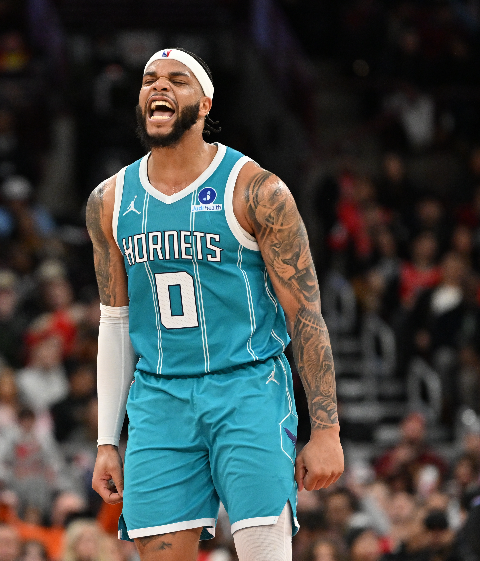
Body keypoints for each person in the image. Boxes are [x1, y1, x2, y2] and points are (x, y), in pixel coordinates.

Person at [87, 48, 344, 561]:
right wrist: (106, 441)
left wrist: (327, 429)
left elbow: (305, 313)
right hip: (158, 398)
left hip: (248, 387)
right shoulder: (109, 200)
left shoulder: (257, 190)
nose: (159, 86)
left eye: (176, 79)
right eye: (149, 79)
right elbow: (114, 322)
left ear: (205, 104)